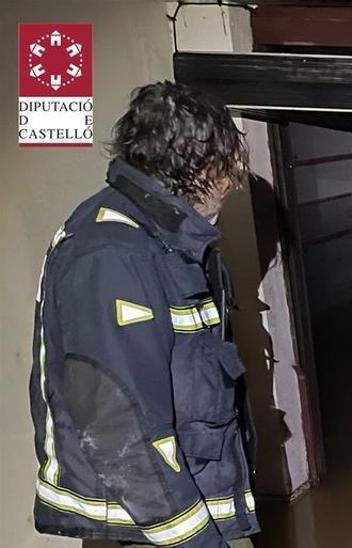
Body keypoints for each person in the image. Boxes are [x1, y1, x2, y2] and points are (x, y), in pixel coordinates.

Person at [29, 82, 258, 547]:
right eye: (228, 171)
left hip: (180, 502)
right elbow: (117, 430)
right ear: (201, 167)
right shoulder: (114, 254)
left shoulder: (167, 239)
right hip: (150, 526)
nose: (231, 186)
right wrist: (197, 541)